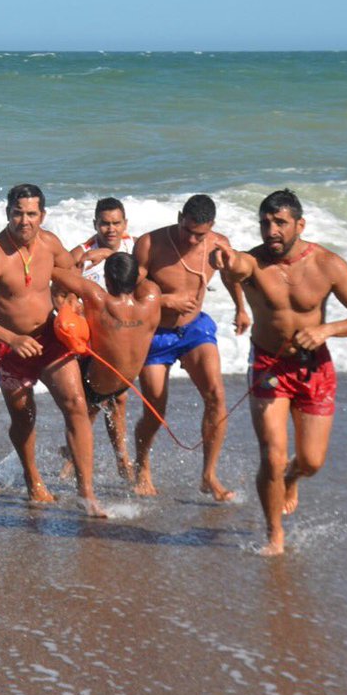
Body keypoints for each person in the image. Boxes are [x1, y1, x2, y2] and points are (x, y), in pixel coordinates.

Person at [217, 189, 347, 555]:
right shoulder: (254, 263)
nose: (271, 230)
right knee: (272, 455)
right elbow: (236, 266)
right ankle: (274, 533)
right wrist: (225, 260)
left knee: (311, 461)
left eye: (279, 223)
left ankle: (292, 479)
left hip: (314, 367)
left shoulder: (327, 264)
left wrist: (327, 329)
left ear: (299, 224)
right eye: (264, 223)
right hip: (269, 365)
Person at [0, 184, 105, 516]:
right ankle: (32, 479)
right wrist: (12, 339)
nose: (24, 221)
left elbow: (70, 270)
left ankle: (87, 493)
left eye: (31, 214)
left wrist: (71, 304)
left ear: (42, 215)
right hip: (7, 347)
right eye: (17, 213)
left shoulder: (50, 243)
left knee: (76, 404)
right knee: (25, 418)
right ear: (8, 213)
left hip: (48, 337)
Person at [132, 194, 249, 501]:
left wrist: (241, 308)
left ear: (211, 227)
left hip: (195, 330)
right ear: (180, 216)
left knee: (216, 396)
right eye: (188, 230)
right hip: (156, 334)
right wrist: (165, 300)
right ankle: (142, 465)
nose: (193, 239)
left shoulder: (217, 244)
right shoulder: (150, 244)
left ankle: (208, 475)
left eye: (200, 234)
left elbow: (230, 276)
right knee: (155, 410)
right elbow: (129, 290)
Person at [51, 252, 162, 480]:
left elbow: (53, 272)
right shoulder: (153, 297)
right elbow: (140, 273)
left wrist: (81, 264)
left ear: (108, 281)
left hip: (95, 383)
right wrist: (113, 255)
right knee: (113, 406)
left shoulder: (98, 298)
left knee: (80, 419)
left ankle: (73, 462)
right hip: (125, 382)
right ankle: (121, 462)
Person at [63, 197, 139, 476]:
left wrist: (108, 257)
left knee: (116, 401)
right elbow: (58, 289)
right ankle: (77, 458)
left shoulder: (134, 247)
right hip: (90, 340)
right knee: (94, 403)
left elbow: (145, 282)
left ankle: (119, 460)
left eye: (116, 223)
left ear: (125, 224)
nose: (110, 229)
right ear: (95, 225)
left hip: (122, 337)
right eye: (104, 223)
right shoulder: (80, 254)